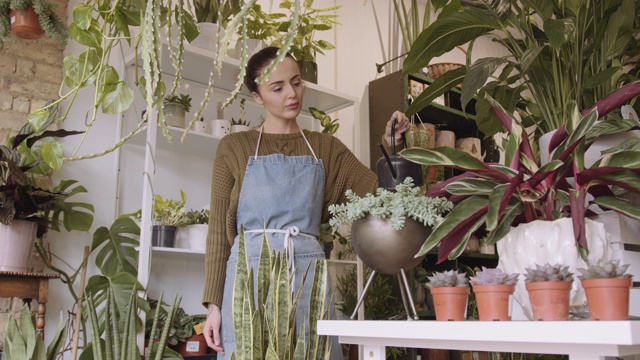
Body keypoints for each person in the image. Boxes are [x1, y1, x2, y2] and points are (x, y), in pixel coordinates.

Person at [202, 46, 409, 359]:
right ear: (257, 96)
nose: (292, 93)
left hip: (307, 281)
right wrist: (213, 308)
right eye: (278, 87)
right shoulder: (234, 147)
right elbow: (219, 234)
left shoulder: (326, 148)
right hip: (248, 288)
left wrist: (393, 147)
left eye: (296, 82)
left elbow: (378, 195)